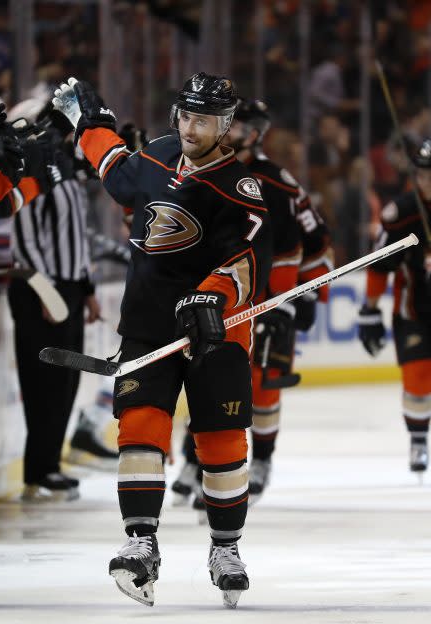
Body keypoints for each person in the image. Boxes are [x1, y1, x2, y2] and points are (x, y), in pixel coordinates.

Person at [52, 73, 272, 608]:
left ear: (225, 127)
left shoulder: (239, 189)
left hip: (214, 331)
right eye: (186, 116)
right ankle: (140, 543)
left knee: (221, 441)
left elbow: (240, 262)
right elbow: (115, 170)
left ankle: (226, 548)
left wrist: (212, 296)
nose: (191, 128)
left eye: (204, 120)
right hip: (148, 325)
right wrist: (90, 123)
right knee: (140, 427)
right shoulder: (158, 154)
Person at [173, 98, 333, 502]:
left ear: (257, 133)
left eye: (240, 126)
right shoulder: (202, 171)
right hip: (221, 295)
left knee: (261, 384)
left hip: (270, 299)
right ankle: (194, 461)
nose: (231, 132)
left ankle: (261, 458)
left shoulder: (275, 183)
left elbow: (305, 246)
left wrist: (297, 299)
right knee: (205, 374)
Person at [8, 107, 102, 502]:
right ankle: (40, 469)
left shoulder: (68, 166)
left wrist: (88, 287)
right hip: (41, 289)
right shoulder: (37, 163)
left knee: (66, 382)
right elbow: (24, 232)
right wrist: (45, 290)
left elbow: (77, 236)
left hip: (70, 288)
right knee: (43, 381)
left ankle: (50, 465)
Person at [359, 139, 431, 476]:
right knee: (417, 378)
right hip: (413, 310)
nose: (427, 181)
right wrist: (369, 311)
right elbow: (379, 266)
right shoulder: (401, 213)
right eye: (423, 174)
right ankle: (418, 439)